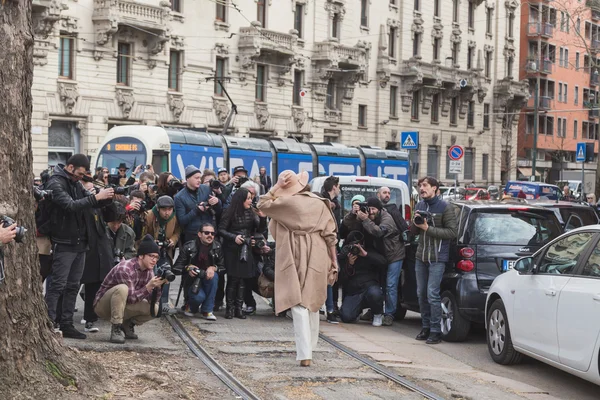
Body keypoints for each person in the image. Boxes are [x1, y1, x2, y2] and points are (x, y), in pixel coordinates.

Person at [258, 170, 338, 367]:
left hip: (295, 250)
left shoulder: (288, 204)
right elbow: (331, 235)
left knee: (297, 301)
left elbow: (262, 204)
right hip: (318, 251)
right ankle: (310, 347)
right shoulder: (320, 203)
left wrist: (276, 186)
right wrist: (334, 261)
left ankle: (305, 353)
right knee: (312, 300)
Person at [44, 154, 115, 338]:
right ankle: (50, 322)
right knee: (58, 285)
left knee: (73, 286)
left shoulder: (75, 182)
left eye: (83, 175)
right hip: (63, 241)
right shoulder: (56, 183)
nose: (80, 178)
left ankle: (66, 324)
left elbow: (88, 200)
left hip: (80, 242)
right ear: (70, 167)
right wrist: (96, 197)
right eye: (79, 174)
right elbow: (70, 205)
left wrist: (106, 197)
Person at [410, 176, 458, 345]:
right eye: (420, 186)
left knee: (432, 294)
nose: (421, 188)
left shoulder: (445, 207)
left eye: (425, 186)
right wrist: (414, 224)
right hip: (421, 256)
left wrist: (428, 228)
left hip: (437, 257)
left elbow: (452, 233)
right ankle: (425, 327)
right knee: (421, 293)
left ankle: (436, 331)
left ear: (435, 188)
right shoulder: (420, 205)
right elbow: (415, 232)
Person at [94, 235, 167, 344]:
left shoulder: (148, 271)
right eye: (151, 256)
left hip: (123, 305)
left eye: (157, 257)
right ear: (141, 256)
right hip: (103, 306)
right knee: (122, 289)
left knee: (155, 309)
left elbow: (151, 300)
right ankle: (116, 328)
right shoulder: (125, 268)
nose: (154, 260)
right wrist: (148, 287)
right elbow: (131, 298)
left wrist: (159, 287)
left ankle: (127, 325)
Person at [356, 197, 403, 326]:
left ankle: (389, 314)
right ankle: (375, 310)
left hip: (395, 255)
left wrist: (365, 219)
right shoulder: (372, 216)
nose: (370, 211)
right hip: (382, 256)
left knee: (390, 285)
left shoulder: (387, 219)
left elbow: (378, 232)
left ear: (380, 209)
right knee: (379, 283)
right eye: (369, 208)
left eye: (373, 209)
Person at [218, 188, 264, 319]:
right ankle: (230, 308)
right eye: (248, 198)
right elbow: (221, 230)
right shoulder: (229, 211)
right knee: (233, 279)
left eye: (251, 198)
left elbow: (260, 230)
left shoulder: (251, 211)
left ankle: (239, 308)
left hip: (247, 246)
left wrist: (262, 218)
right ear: (241, 199)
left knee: (243, 280)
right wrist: (234, 237)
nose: (250, 200)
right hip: (232, 248)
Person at [80, 181, 114, 333]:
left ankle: (91, 318)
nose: (92, 192)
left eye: (94, 189)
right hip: (87, 247)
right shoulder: (81, 205)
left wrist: (107, 199)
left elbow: (112, 215)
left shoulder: (99, 206)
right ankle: (62, 319)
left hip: (101, 246)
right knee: (81, 283)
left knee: (97, 283)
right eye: (88, 190)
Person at [173, 223, 224, 320]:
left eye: (212, 234)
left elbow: (223, 268)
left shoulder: (217, 247)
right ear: (199, 234)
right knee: (199, 297)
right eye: (207, 233)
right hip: (192, 281)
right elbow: (176, 268)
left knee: (215, 276)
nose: (210, 235)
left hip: (208, 280)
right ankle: (191, 306)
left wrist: (214, 268)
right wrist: (188, 268)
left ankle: (207, 310)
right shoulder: (189, 246)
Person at [338, 231, 387, 326]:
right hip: (354, 291)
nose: (356, 248)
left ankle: (377, 314)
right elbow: (341, 280)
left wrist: (366, 255)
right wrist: (349, 264)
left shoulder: (369, 252)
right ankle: (356, 312)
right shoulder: (346, 255)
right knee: (346, 317)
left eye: (359, 245)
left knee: (375, 294)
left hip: (370, 287)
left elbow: (384, 263)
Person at [143, 195, 180, 312]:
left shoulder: (175, 217)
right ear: (158, 208)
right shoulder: (149, 215)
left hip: (166, 250)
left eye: (169, 209)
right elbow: (142, 234)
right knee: (151, 275)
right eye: (164, 209)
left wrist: (172, 241)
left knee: (167, 274)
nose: (167, 213)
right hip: (151, 251)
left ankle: (164, 301)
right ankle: (149, 300)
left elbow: (177, 231)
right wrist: (151, 242)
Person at [316, 175, 341, 323]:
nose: (339, 189)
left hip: (331, 243)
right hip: (323, 244)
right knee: (327, 276)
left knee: (330, 276)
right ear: (333, 187)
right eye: (338, 187)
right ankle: (329, 308)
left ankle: (331, 308)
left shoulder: (335, 204)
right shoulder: (321, 201)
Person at [174, 165, 221, 243]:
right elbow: (182, 220)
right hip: (192, 235)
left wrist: (217, 202)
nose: (199, 180)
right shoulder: (179, 197)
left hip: (209, 233)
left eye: (200, 177)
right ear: (188, 178)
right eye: (196, 178)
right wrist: (197, 210)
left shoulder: (206, 189)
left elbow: (219, 211)